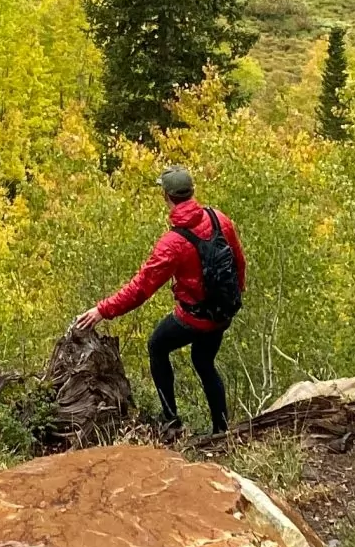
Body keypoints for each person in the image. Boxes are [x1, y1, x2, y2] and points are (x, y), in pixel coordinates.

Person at [72, 166, 245, 436]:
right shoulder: (219, 219)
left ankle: (171, 421)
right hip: (223, 312)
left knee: (157, 346)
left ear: (167, 196)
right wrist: (235, 297)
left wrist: (102, 310)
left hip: (194, 318)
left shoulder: (173, 243)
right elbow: (238, 261)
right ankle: (222, 431)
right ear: (192, 192)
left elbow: (141, 289)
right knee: (204, 362)